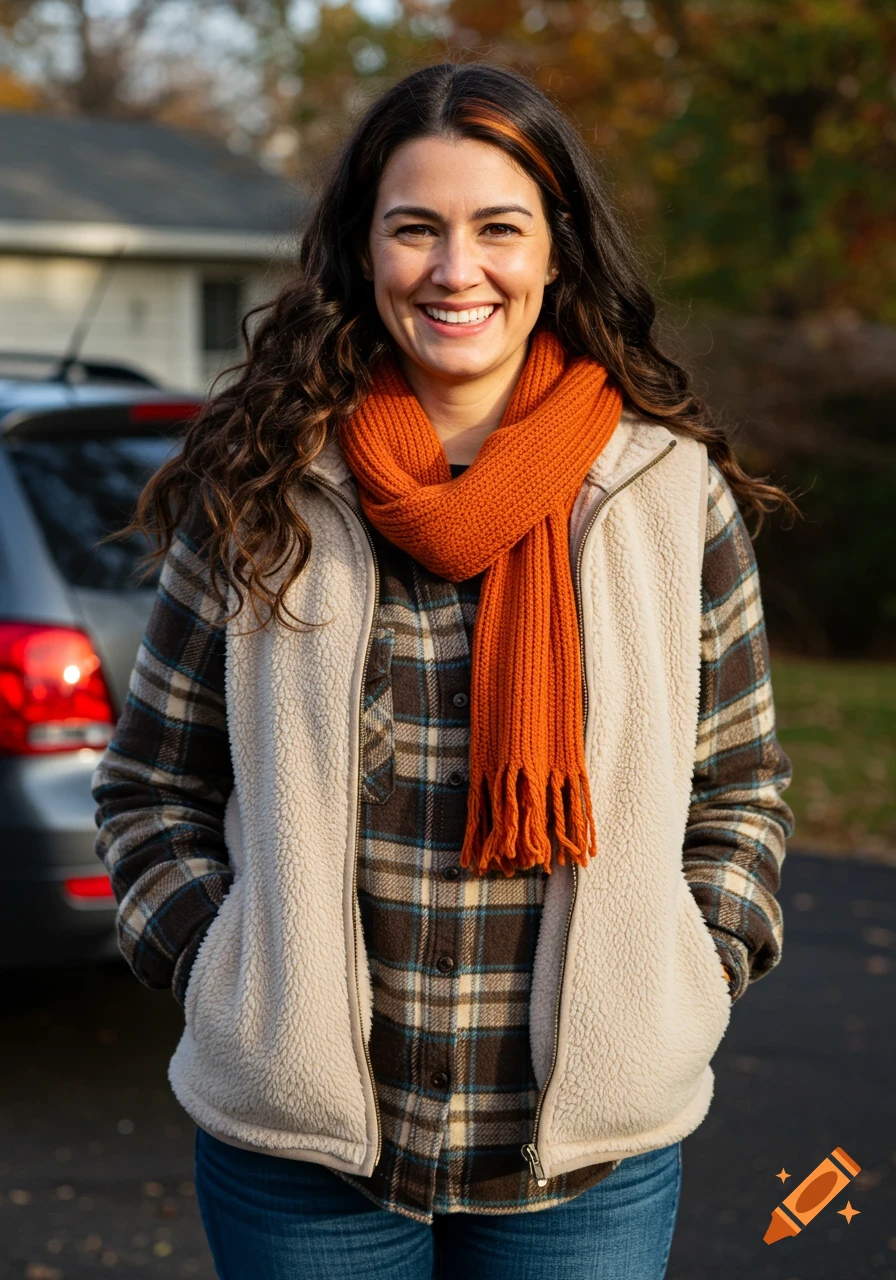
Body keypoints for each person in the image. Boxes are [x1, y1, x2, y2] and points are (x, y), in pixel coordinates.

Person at [92, 60, 797, 1280]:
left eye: (497, 228)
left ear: (556, 251)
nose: (454, 268)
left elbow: (736, 787)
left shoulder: (664, 492)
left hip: (581, 1169)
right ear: (363, 249)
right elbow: (151, 785)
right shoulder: (263, 486)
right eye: (414, 227)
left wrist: (686, 973)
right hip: (303, 1165)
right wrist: (226, 974)